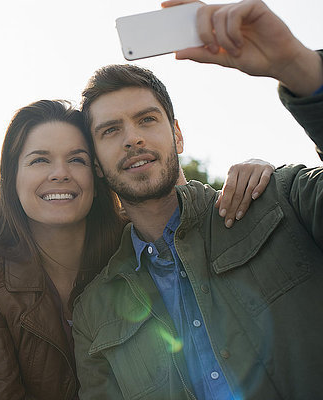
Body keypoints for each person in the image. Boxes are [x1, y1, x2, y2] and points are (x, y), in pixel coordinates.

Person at [72, 1, 323, 399]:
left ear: (178, 135)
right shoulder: (92, 315)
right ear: (98, 167)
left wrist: (297, 65)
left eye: (147, 119)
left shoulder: (281, 199)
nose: (132, 137)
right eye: (110, 130)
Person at [0, 99, 273, 398]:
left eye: (76, 159)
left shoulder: (138, 241)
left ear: (97, 173)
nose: (60, 173)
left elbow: (187, 205)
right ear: (11, 176)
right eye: (40, 160)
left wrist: (255, 169)